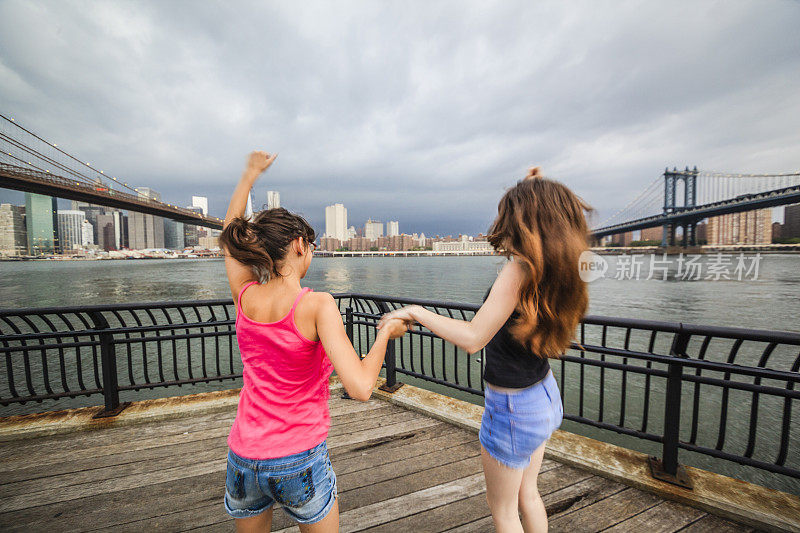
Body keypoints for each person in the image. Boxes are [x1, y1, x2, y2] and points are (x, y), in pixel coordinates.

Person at [378, 166, 592, 533]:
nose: (504, 227)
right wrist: (533, 188)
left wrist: (416, 312)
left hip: (512, 409)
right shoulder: (562, 269)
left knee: (504, 512)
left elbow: (474, 337)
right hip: (543, 395)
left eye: (512, 219)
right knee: (529, 496)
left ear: (525, 225)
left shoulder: (518, 272)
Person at [219, 151, 408, 533]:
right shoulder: (317, 305)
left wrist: (248, 176)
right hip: (297, 457)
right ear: (299, 245)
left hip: (243, 455)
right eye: (312, 246)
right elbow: (360, 387)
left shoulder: (245, 296)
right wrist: (386, 332)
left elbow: (228, 239)